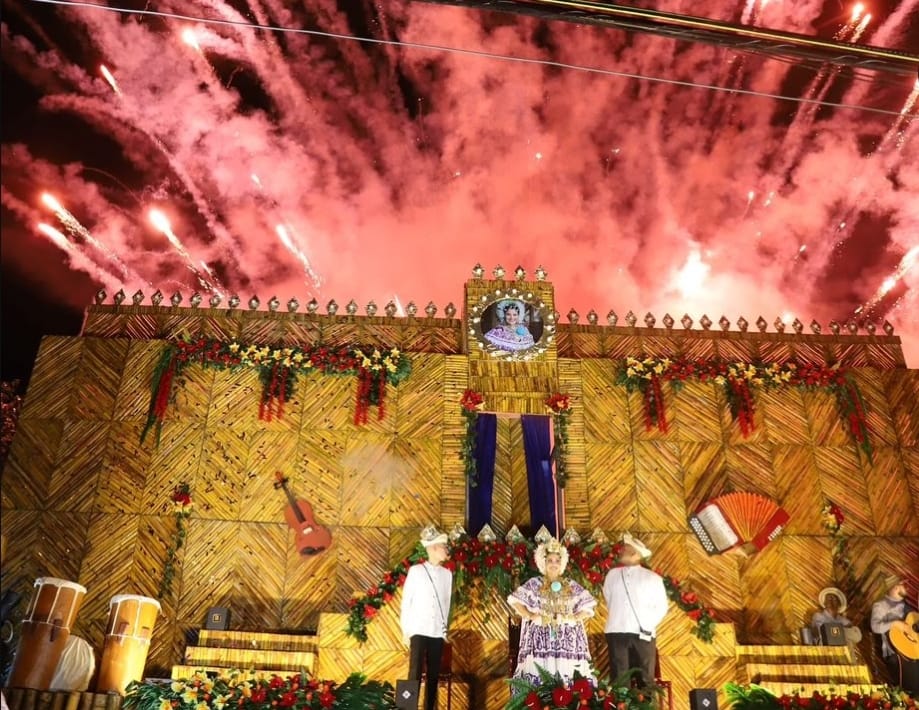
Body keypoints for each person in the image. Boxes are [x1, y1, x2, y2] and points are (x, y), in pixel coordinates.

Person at [507, 538, 597, 690]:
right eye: (550, 560)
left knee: (566, 678)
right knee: (541, 679)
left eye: (557, 560)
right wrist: (529, 615)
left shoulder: (570, 585)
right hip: (540, 640)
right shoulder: (535, 584)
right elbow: (515, 600)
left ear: (562, 563)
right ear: (543, 562)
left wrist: (574, 618)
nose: (553, 564)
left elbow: (588, 606)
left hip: (567, 642)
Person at [602, 533, 669, 688]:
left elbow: (661, 607)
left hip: (643, 633)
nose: (621, 551)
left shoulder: (653, 578)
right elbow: (609, 597)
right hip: (616, 631)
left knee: (645, 679)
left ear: (634, 553)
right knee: (619, 678)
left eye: (625, 548)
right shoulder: (612, 575)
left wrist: (646, 625)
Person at [400, 525, 453, 710]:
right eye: (443, 546)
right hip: (418, 628)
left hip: (436, 631)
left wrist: (444, 628)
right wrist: (405, 630)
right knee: (413, 672)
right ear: (432, 548)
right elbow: (407, 601)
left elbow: (445, 604)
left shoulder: (448, 575)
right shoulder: (416, 571)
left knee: (433, 676)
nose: (446, 550)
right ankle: (406, 707)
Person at [870, 574, 918, 693]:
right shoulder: (880, 605)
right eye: (902, 585)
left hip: (913, 650)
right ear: (895, 587)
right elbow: (875, 627)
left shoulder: (906, 606)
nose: (905, 588)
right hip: (895, 653)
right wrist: (895, 623)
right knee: (910, 689)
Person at [811, 586, 861, 657]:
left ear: (839, 604)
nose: (831, 601)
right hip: (825, 648)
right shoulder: (818, 616)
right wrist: (843, 631)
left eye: (834, 599)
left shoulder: (844, 620)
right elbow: (822, 632)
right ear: (824, 602)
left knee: (849, 642)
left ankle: (849, 665)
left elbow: (857, 637)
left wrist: (836, 631)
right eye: (829, 598)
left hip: (843, 649)